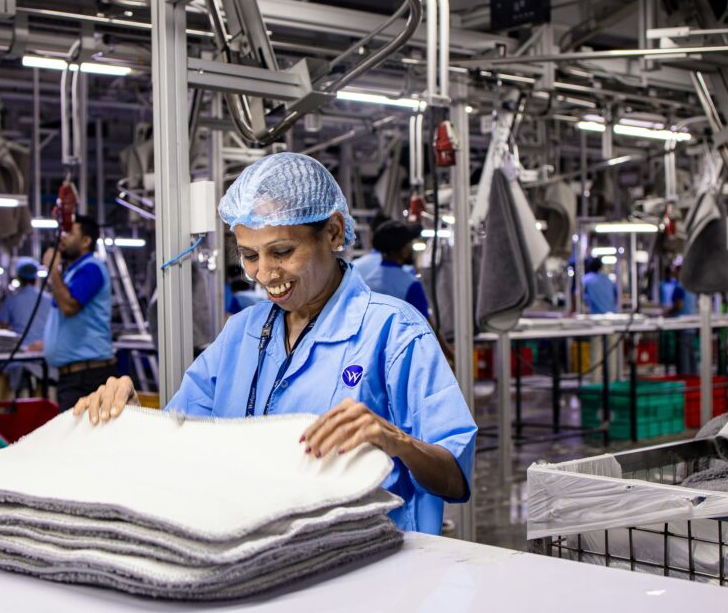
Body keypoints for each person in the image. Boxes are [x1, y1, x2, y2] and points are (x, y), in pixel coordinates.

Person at [71, 153, 476, 535]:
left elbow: (454, 479)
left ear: (333, 232)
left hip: (368, 560)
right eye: (249, 256)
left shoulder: (395, 331)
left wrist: (398, 441)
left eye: (281, 251)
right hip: (256, 553)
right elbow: (181, 438)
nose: (264, 274)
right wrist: (133, 418)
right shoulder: (241, 334)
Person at [38, 214, 115, 412]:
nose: (62, 237)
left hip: (87, 377)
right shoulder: (73, 272)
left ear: (86, 241)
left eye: (70, 233)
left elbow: (69, 306)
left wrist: (53, 270)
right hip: (75, 376)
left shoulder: (92, 268)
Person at [0, 257, 53, 398]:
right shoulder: (48, 300)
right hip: (43, 355)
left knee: (4, 377)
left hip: (19, 356)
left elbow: (3, 331)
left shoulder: (11, 300)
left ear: (19, 278)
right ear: (36, 278)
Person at [359, 220, 429, 316]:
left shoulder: (366, 283)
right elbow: (424, 322)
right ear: (402, 250)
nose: (410, 248)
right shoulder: (411, 285)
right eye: (408, 244)